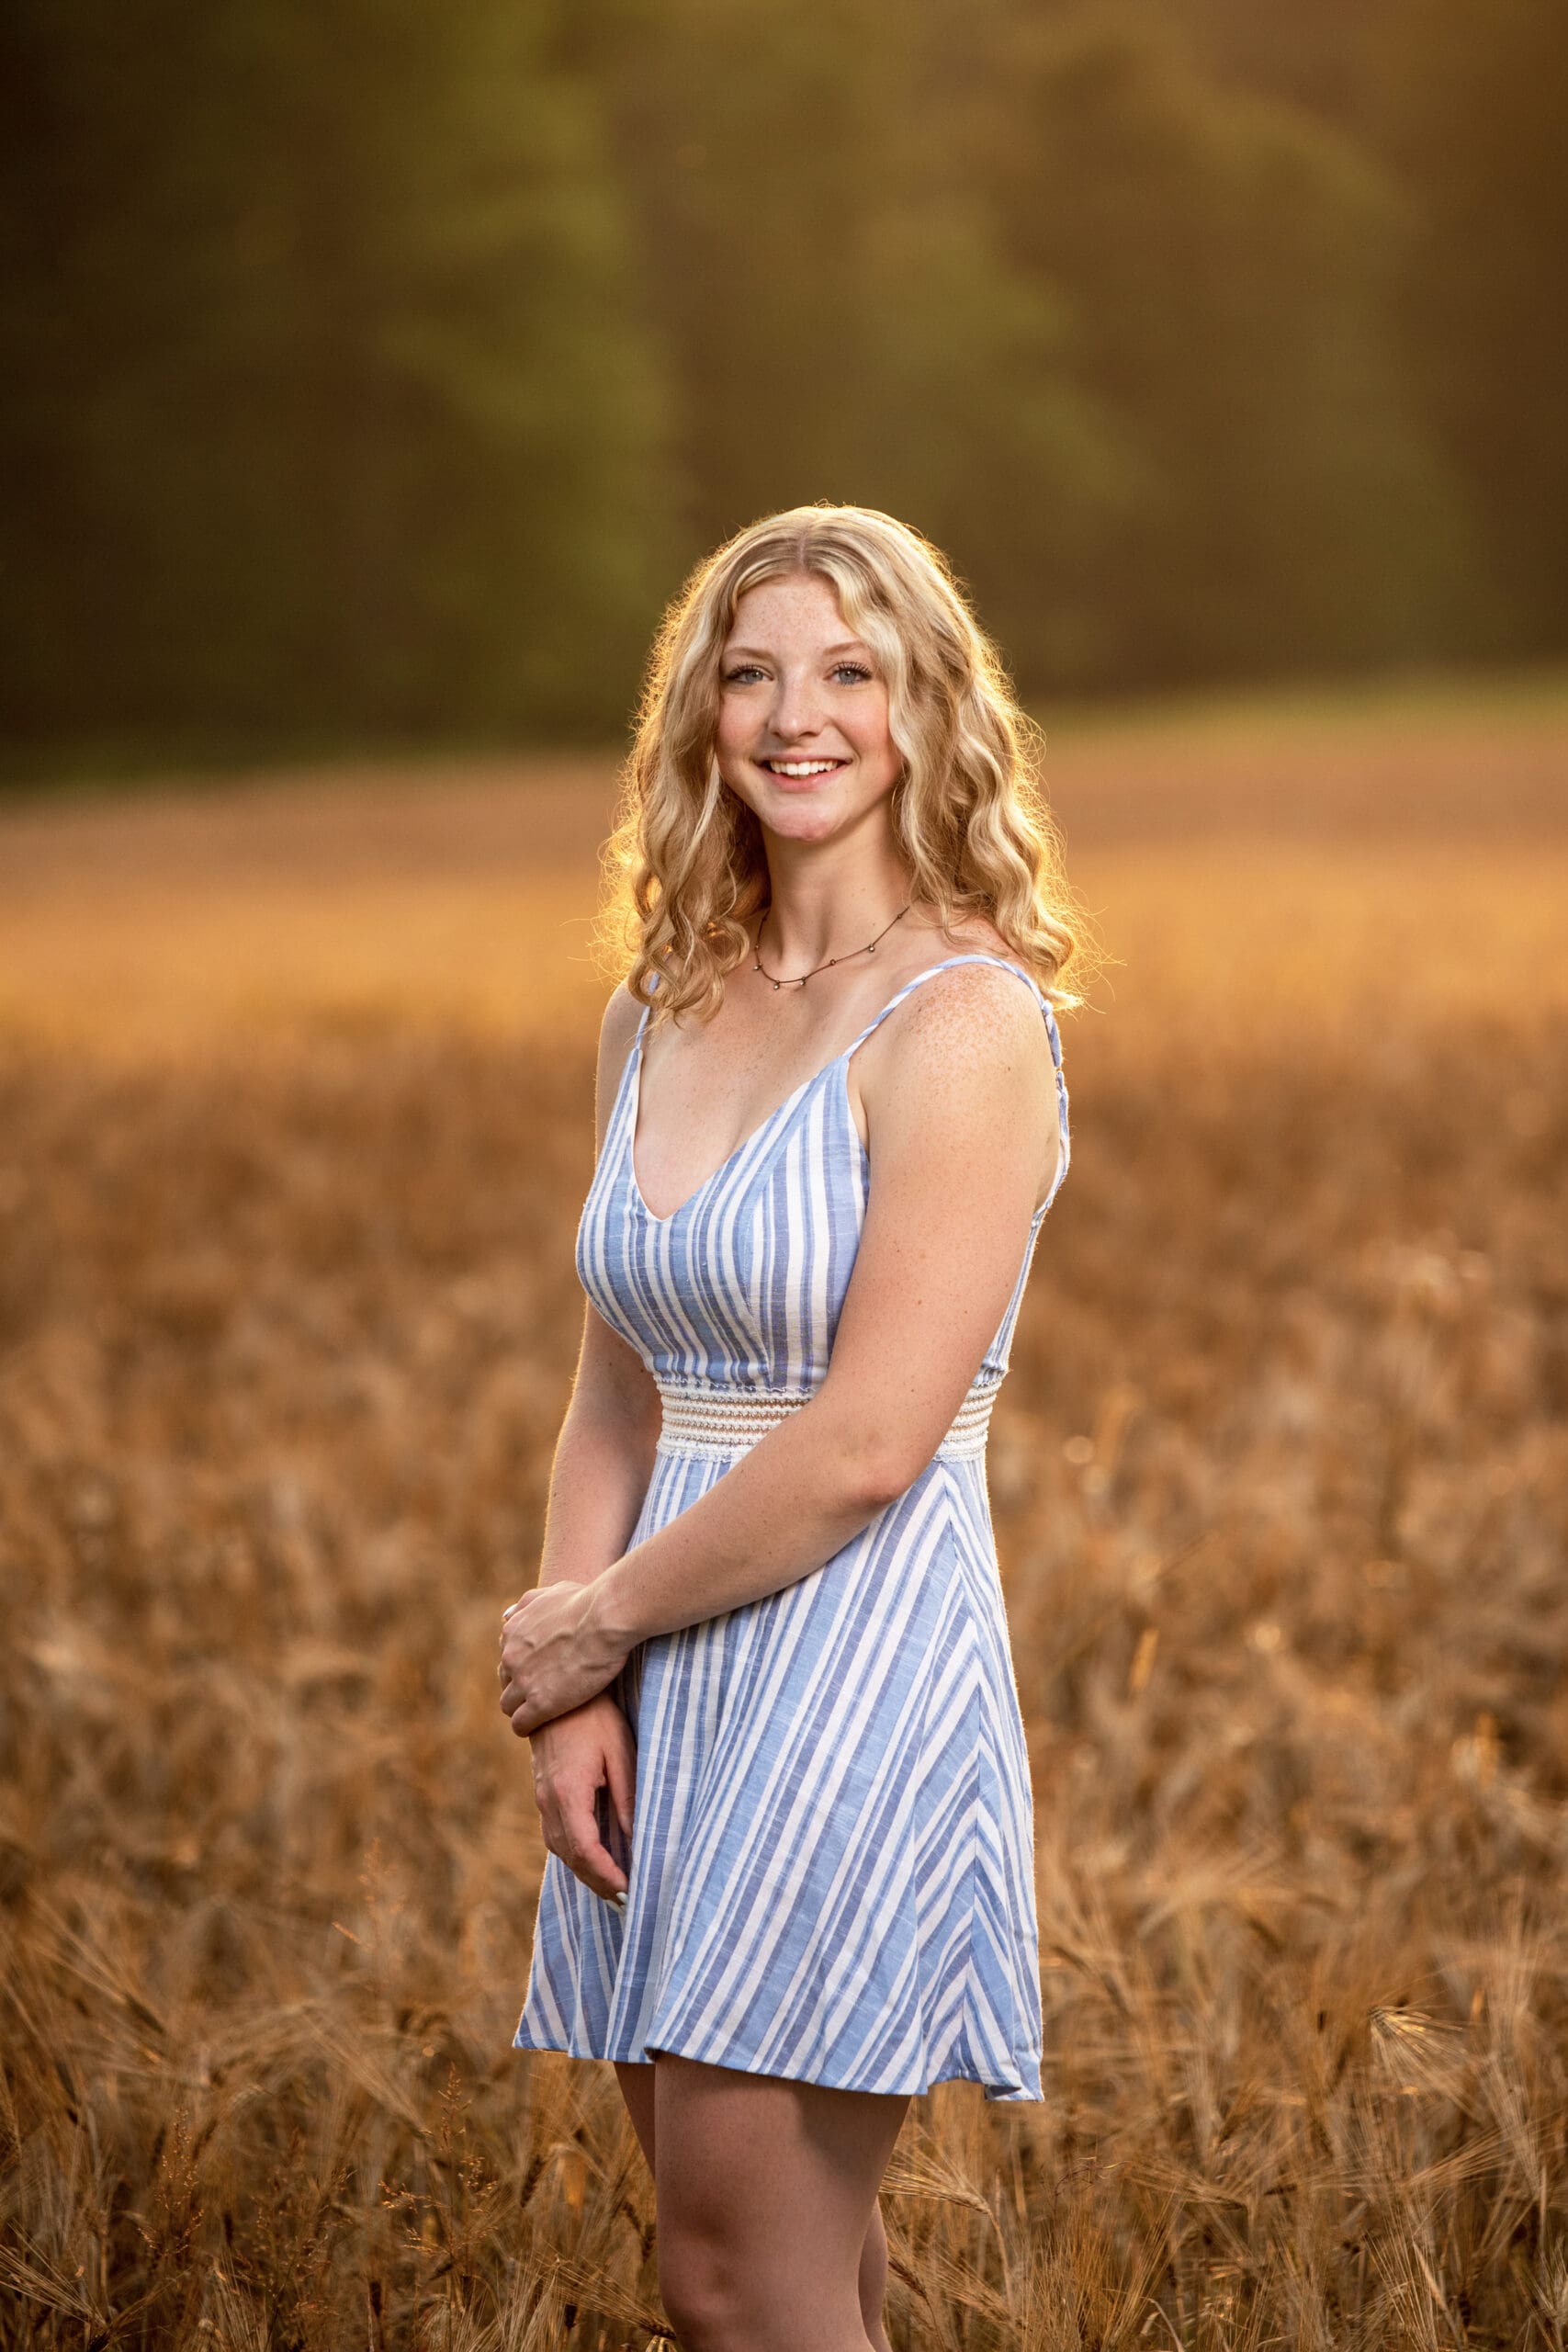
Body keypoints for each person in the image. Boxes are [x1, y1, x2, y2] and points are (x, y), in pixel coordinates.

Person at [497, 503, 1091, 2351]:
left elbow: (865, 1442)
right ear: (700, 717)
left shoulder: (965, 1021)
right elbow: (615, 1380)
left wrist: (595, 1619)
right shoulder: (655, 1010)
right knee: (783, 2276)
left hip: (847, 1649)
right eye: (748, 670)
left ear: (924, 705)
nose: (792, 711)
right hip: (656, 1672)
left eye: (846, 667)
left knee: (732, 2278)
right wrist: (575, 1672)